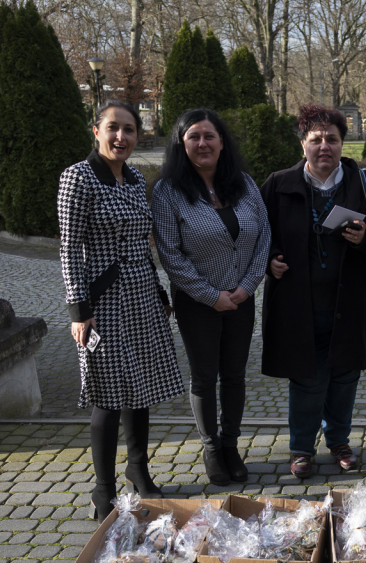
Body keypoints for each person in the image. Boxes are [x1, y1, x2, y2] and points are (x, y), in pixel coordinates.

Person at [58, 101, 184, 520]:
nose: (121, 137)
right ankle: (103, 488)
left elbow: (139, 241)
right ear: (96, 130)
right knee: (108, 393)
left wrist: (159, 292)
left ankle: (138, 469)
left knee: (141, 386)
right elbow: (70, 248)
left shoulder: (133, 178)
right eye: (113, 128)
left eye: (129, 130)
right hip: (101, 303)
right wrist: (79, 309)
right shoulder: (78, 177)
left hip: (142, 297)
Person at [261, 103, 366, 479]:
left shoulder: (365, 185)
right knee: (307, 377)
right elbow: (256, 234)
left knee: (345, 375)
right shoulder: (278, 185)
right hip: (298, 304)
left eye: (332, 139)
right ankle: (302, 448)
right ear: (303, 144)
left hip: (350, 301)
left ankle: (339, 441)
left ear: (342, 145)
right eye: (315, 139)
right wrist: (269, 258)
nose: (324, 147)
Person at [152, 109, 271, 486]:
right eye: (193, 137)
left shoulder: (244, 184)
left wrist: (247, 286)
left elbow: (264, 236)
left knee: (234, 375)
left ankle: (231, 444)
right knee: (205, 377)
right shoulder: (168, 192)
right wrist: (209, 295)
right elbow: (170, 254)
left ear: (222, 142)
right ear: (181, 144)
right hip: (197, 302)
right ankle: (210, 448)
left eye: (209, 136)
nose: (202, 143)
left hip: (240, 298)